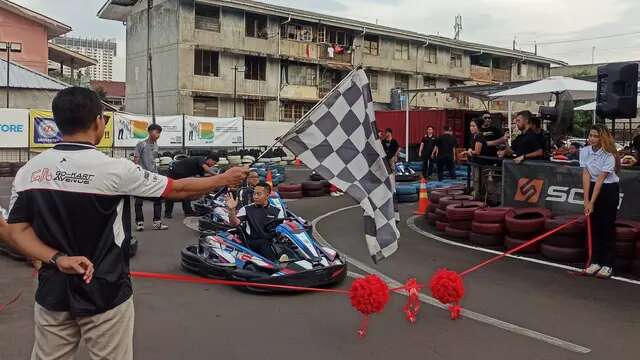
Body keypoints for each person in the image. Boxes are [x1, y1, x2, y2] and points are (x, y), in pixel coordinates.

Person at [4, 87, 248, 360]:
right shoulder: (116, 169)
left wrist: (57, 258)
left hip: (53, 290)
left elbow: (17, 231)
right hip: (105, 291)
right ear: (99, 121)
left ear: (56, 122)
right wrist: (224, 179)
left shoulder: (29, 172)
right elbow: (177, 190)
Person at [581, 125, 620, 279]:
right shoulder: (584, 151)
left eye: (596, 136)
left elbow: (601, 179)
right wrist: (586, 200)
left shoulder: (609, 155)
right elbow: (585, 174)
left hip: (608, 189)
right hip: (592, 187)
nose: (592, 139)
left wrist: (592, 202)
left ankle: (607, 264)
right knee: (594, 225)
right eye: (590, 135)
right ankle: (595, 261)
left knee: (607, 226)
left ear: (602, 138)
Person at [226, 182, 285, 261]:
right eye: (254, 194)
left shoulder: (277, 211)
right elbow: (234, 223)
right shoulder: (246, 209)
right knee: (264, 244)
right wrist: (231, 210)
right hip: (252, 242)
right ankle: (273, 267)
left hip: (271, 242)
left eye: (258, 194)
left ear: (267, 195)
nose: (255, 197)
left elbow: (281, 229)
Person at [164, 153, 220, 218]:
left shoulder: (201, 167)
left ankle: (188, 212)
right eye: (214, 163)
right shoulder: (201, 159)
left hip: (183, 176)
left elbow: (202, 177)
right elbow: (206, 168)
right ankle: (168, 213)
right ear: (210, 159)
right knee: (171, 192)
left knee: (186, 193)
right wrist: (217, 175)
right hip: (174, 173)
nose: (213, 165)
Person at [133, 123, 167, 231]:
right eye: (156, 132)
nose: (158, 135)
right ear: (149, 132)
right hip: (142, 176)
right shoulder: (141, 144)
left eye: (159, 133)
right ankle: (139, 223)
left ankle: (157, 222)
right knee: (138, 201)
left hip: (154, 176)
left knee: (158, 198)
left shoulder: (156, 145)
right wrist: (136, 172)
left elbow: (153, 161)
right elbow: (136, 159)